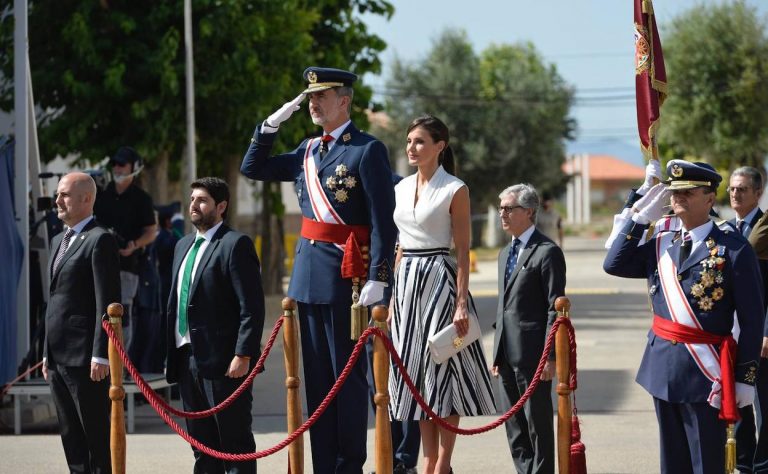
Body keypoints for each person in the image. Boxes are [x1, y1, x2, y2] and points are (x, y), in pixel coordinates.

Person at [241, 67, 397, 473]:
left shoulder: (367, 149)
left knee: (347, 382)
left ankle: (349, 465)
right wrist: (271, 124)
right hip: (308, 278)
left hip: (349, 280)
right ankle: (324, 465)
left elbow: (384, 221)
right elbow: (253, 167)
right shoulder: (307, 151)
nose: (312, 103)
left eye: (321, 96)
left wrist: (380, 276)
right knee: (318, 383)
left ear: (343, 101)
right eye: (310, 97)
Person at [604, 160, 764, 473]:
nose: (679, 197)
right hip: (662, 368)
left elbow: (752, 319)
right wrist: (637, 219)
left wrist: (746, 377)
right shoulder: (661, 242)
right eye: (675, 191)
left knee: (706, 463)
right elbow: (614, 264)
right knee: (672, 463)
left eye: (688, 192)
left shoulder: (733, 249)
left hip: (706, 374)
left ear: (709, 198)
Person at [388, 115, 495, 474]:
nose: (411, 148)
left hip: (439, 278)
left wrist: (461, 303)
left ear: (439, 146)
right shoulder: (400, 187)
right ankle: (429, 459)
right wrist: (391, 301)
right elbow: (400, 246)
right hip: (406, 285)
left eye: (419, 141)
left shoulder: (455, 189)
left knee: (445, 370)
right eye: (408, 141)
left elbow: (463, 251)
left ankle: (444, 462)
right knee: (415, 374)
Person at [165, 177, 265, 474]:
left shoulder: (235, 244)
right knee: (202, 446)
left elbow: (252, 306)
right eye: (192, 198)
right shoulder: (183, 245)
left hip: (225, 362)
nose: (194, 205)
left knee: (234, 445)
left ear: (221, 207)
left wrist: (243, 354)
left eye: (202, 200)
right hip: (186, 357)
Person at [43, 172, 121, 473]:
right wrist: (47, 352)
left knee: (95, 438)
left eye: (64, 194)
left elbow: (108, 303)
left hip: (86, 358)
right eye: (58, 194)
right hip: (59, 356)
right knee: (71, 437)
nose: (58, 200)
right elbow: (55, 300)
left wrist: (101, 353)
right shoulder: (57, 240)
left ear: (86, 199)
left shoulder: (100, 240)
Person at [490, 183, 565, 474]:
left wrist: (550, 356)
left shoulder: (547, 252)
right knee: (514, 426)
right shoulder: (503, 254)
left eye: (509, 208)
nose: (502, 214)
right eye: (501, 209)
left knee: (538, 425)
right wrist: (497, 352)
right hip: (507, 354)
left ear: (529, 212)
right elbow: (503, 307)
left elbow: (554, 309)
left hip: (534, 354)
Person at [93, 146, 157, 355]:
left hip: (127, 268)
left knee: (122, 316)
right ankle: (99, 360)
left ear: (134, 167)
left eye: (122, 164)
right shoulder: (100, 195)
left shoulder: (142, 199)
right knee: (97, 312)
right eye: (115, 164)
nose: (118, 168)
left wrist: (133, 245)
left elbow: (151, 232)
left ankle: (121, 364)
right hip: (98, 266)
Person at [728, 166, 768, 473]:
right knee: (738, 400)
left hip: (761, 333)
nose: (735, 193)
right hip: (733, 333)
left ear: (758, 192)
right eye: (731, 188)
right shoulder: (727, 229)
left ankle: (763, 463)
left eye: (742, 189)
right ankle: (744, 462)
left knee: (763, 402)